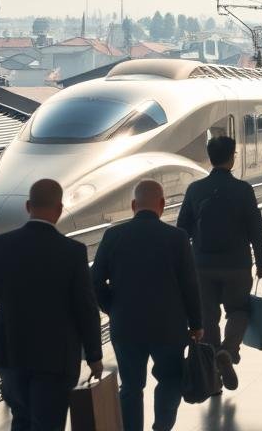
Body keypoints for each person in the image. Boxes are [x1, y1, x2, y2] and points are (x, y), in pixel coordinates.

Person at [0, 179, 103, 431]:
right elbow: (85, 309)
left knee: (21, 420)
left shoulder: (0, 246)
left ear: (28, 206)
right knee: (49, 424)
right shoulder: (72, 251)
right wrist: (94, 356)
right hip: (57, 359)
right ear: (59, 209)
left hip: (11, 354)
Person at [91, 180, 202, 431]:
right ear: (162, 205)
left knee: (130, 386)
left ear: (133, 205)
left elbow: (95, 281)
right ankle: (161, 427)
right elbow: (189, 286)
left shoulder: (113, 236)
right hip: (169, 327)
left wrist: (113, 308)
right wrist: (196, 324)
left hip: (127, 326)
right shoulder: (177, 238)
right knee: (170, 380)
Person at [176, 135, 262, 392]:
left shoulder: (195, 190)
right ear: (232, 156)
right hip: (236, 264)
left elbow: (183, 230)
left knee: (207, 317)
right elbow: (255, 229)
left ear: (210, 157)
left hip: (202, 265)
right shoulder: (243, 190)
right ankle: (228, 351)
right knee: (239, 310)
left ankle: (214, 378)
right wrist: (261, 261)